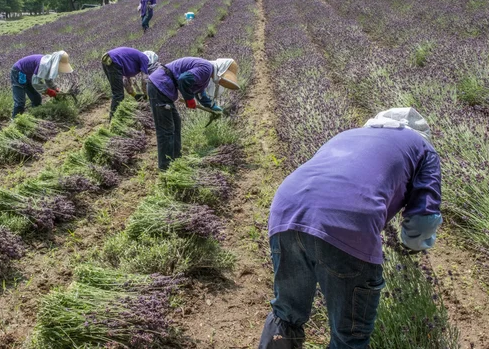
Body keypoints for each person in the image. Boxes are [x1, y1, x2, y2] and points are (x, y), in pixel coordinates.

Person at [258, 108, 442, 349]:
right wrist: (412, 245)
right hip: (348, 222)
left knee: (287, 313)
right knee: (349, 338)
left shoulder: (348, 134)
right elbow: (424, 219)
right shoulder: (423, 149)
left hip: (287, 208)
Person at [147, 57, 240, 171]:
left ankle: (176, 159)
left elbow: (199, 92)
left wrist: (210, 105)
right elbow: (184, 79)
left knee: (176, 124)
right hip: (159, 85)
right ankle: (165, 168)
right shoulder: (206, 68)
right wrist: (189, 99)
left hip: (163, 87)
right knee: (166, 130)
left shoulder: (206, 73)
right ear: (221, 70)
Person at [10, 51, 73, 119]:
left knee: (37, 99)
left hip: (28, 75)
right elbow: (36, 83)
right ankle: (15, 122)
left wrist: (54, 88)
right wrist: (48, 91)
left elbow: (48, 79)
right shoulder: (44, 64)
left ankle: (34, 116)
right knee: (20, 102)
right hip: (18, 72)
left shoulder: (50, 63)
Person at [101, 47, 159, 118]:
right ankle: (113, 120)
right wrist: (147, 97)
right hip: (114, 60)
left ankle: (113, 117)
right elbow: (144, 80)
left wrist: (135, 95)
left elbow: (125, 82)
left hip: (106, 60)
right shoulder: (144, 58)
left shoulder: (132, 61)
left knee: (116, 92)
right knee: (118, 94)